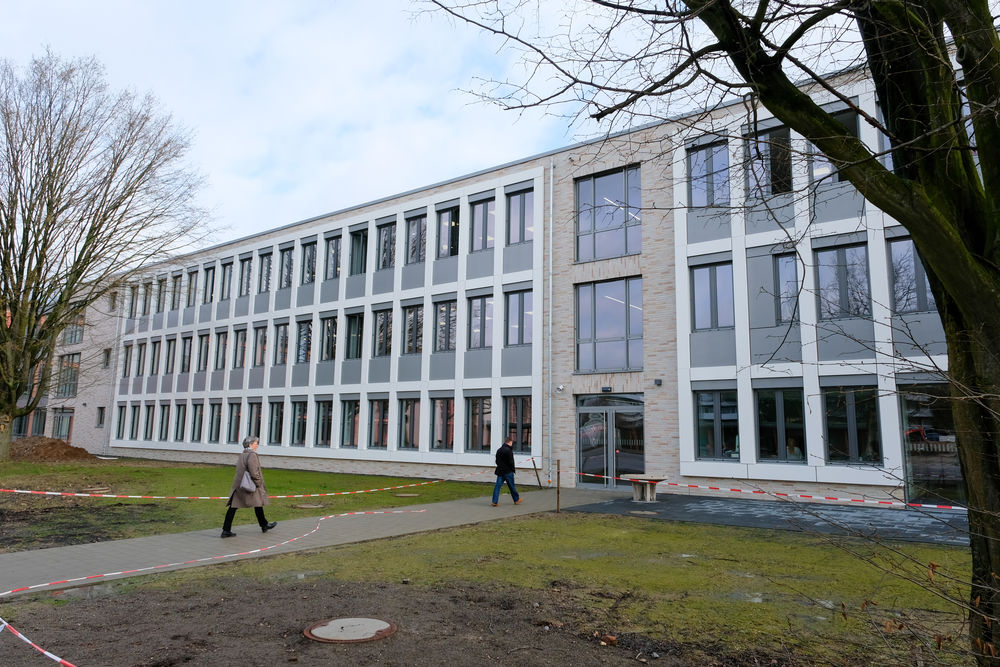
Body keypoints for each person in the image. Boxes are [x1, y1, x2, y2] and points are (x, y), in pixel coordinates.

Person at [221, 436, 277, 537]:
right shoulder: (252, 455)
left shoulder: (242, 454)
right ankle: (264, 525)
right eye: (256, 443)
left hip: (240, 485)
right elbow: (254, 472)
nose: (257, 445)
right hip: (250, 485)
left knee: (237, 506)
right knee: (256, 502)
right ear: (250, 444)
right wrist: (258, 483)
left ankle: (226, 530)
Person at [492, 436, 522, 506]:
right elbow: (511, 462)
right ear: (510, 442)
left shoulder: (499, 450)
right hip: (508, 472)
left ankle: (494, 501)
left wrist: (501, 466)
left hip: (500, 471)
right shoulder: (509, 450)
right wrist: (512, 469)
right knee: (511, 486)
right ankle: (516, 499)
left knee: (497, 487)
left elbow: (497, 461)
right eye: (512, 442)